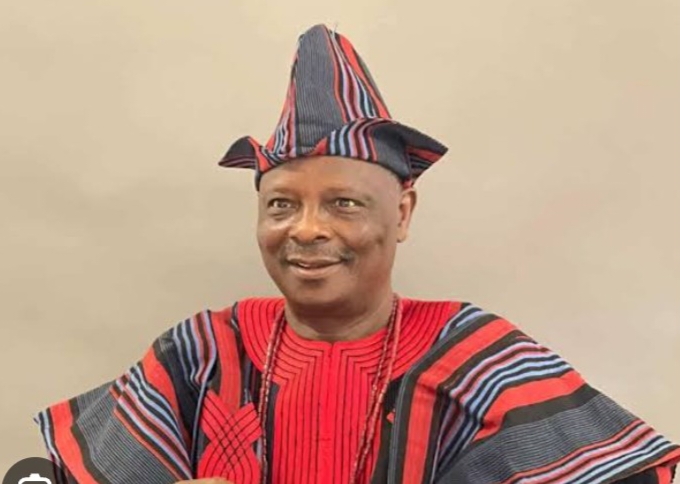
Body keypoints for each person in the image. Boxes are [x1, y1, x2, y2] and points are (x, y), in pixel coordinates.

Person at [35, 24, 678, 484]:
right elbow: (42, 475)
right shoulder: (205, 350)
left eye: (343, 203)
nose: (307, 230)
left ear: (403, 214)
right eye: (281, 205)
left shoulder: (476, 357)